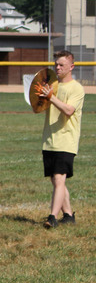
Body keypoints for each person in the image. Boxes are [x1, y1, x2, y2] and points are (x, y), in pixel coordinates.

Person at [37, 51, 84, 228]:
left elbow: (68, 110)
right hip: (50, 139)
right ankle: (69, 215)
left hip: (66, 140)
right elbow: (39, 107)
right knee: (55, 180)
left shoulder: (76, 88)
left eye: (62, 65)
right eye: (56, 64)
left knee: (59, 179)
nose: (57, 67)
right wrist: (41, 98)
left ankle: (52, 217)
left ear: (71, 67)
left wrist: (51, 97)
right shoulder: (52, 86)